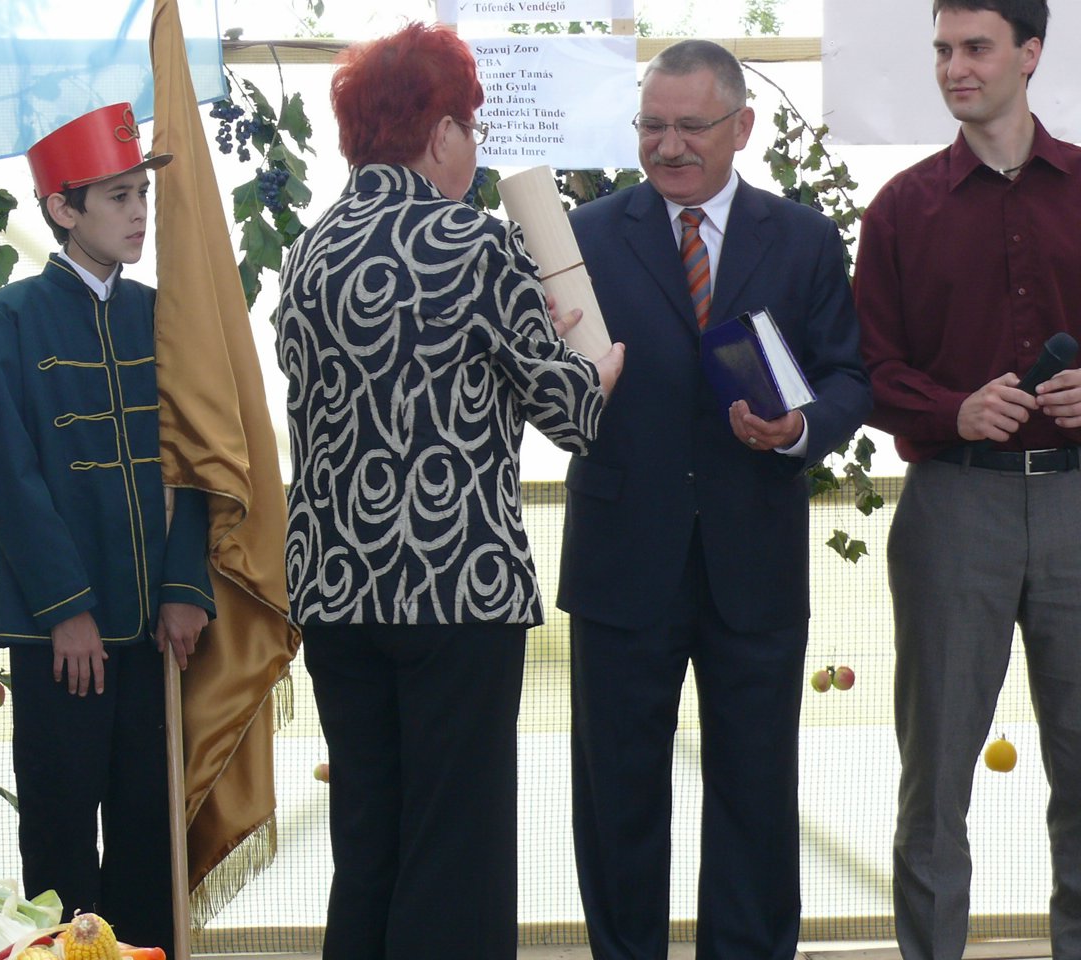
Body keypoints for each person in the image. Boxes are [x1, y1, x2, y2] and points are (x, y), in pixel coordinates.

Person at [274, 22, 624, 960]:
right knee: (454, 848)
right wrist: (596, 367)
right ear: (439, 134)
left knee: (369, 844)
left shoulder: (308, 252)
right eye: (471, 125)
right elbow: (570, 413)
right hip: (454, 584)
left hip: (336, 589)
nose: (475, 144)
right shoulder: (475, 241)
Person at [558, 39, 872, 960]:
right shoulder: (582, 238)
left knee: (756, 795)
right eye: (652, 126)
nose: (668, 147)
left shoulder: (803, 238)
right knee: (617, 801)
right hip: (622, 561)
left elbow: (849, 377)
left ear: (743, 126)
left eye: (691, 126)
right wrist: (565, 384)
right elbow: (541, 384)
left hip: (754, 559)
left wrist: (800, 428)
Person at [853, 2, 1081, 957]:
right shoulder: (901, 208)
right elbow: (865, 369)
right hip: (953, 504)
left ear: (1031, 54)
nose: (955, 66)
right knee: (936, 781)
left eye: (976, 48)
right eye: (943, 49)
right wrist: (953, 410)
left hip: (1076, 501)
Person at [0, 103, 214, 954]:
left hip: (155, 633)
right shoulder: (8, 319)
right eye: (119, 196)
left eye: (143, 193)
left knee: (151, 837)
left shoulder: (162, 314)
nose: (140, 212)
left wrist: (184, 586)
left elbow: (197, 457)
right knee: (60, 842)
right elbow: (12, 478)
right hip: (58, 638)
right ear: (62, 208)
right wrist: (66, 609)